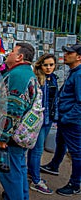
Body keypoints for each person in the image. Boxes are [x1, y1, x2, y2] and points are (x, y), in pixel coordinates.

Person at [0, 42, 38, 200]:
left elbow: (13, 109)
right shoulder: (25, 73)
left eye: (12, 51)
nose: (8, 54)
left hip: (11, 138)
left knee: (9, 174)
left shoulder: (18, 75)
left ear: (20, 56)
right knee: (18, 170)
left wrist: (3, 137)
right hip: (19, 136)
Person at [40, 44, 81, 196]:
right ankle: (54, 165)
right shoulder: (74, 72)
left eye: (69, 52)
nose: (65, 54)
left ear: (78, 57)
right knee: (61, 143)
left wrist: (66, 117)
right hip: (66, 120)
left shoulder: (79, 74)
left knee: (76, 152)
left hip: (72, 121)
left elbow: (80, 102)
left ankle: (75, 184)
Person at [27, 54, 59, 195]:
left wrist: (54, 117)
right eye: (46, 65)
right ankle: (36, 180)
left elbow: (54, 100)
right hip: (39, 120)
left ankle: (31, 172)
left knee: (36, 150)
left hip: (48, 119)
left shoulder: (53, 79)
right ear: (40, 65)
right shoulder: (37, 79)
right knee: (37, 150)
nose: (48, 67)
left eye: (51, 65)